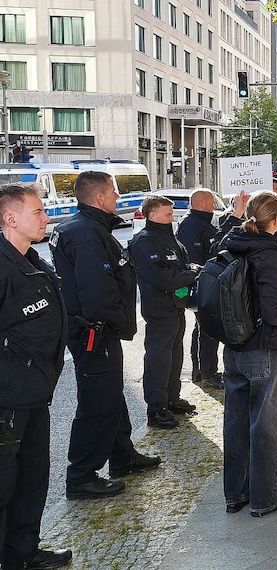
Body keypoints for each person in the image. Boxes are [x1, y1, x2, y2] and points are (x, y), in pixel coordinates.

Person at [50, 171, 160, 500]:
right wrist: (119, 322)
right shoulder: (86, 234)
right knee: (97, 403)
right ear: (99, 198)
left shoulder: (85, 227)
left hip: (94, 329)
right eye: (113, 192)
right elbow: (97, 292)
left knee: (111, 396)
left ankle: (122, 455)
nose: (117, 197)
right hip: (94, 331)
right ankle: (81, 475)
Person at [0, 183, 73, 570]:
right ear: (11, 218)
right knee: (4, 486)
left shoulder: (33, 260)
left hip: (35, 394)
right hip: (8, 400)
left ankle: (23, 553)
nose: (47, 217)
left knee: (32, 480)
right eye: (39, 212)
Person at [220, 191, 277, 517]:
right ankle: (266, 499)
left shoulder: (232, 243)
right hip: (265, 348)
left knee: (236, 424)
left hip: (235, 347)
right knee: (273, 427)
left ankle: (235, 495)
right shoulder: (270, 254)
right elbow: (274, 312)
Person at [128, 196, 200, 430]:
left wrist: (188, 272)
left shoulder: (170, 239)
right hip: (159, 309)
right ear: (152, 215)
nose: (172, 217)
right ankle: (156, 408)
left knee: (175, 355)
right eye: (168, 214)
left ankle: (171, 398)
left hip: (176, 307)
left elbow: (182, 267)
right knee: (158, 359)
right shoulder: (144, 241)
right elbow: (164, 278)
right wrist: (191, 274)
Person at [177, 189, 224, 389]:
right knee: (207, 329)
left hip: (205, 282)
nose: (214, 206)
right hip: (201, 284)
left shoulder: (198, 223)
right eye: (212, 202)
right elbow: (194, 257)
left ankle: (203, 371)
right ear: (203, 204)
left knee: (205, 329)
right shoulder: (192, 225)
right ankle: (206, 372)